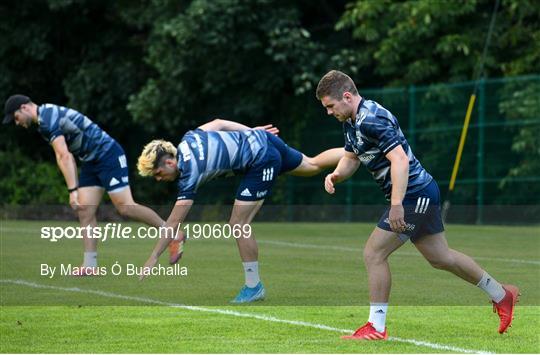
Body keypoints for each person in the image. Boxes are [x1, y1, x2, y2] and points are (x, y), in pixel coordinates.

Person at [316, 70, 519, 339]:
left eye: (330, 106)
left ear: (346, 96)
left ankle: (376, 327)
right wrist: (336, 175)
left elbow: (399, 160)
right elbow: (352, 157)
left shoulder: (371, 119)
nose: (329, 112)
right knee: (440, 258)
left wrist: (397, 204)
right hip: (419, 193)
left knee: (374, 253)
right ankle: (501, 295)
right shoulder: (351, 122)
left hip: (413, 195)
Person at [136, 118, 343, 303]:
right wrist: (251, 131)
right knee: (313, 164)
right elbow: (219, 123)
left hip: (261, 159)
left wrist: (153, 257)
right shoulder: (189, 138)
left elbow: (173, 223)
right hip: (263, 139)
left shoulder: (189, 174)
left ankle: (253, 287)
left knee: (238, 225)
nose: (158, 178)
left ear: (171, 162)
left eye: (158, 173)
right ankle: (356, 151)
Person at [3, 94, 170, 275]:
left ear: (24, 108)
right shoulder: (44, 119)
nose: (17, 123)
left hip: (108, 155)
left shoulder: (48, 119)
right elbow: (66, 157)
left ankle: (170, 232)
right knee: (85, 210)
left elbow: (64, 156)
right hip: (91, 162)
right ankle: (90, 265)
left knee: (125, 207)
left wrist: (73, 190)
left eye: (16, 118)